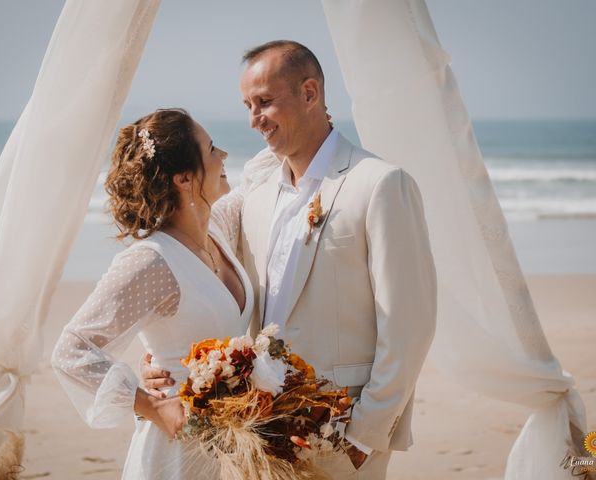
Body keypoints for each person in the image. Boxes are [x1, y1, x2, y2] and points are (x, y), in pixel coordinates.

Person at [142, 41, 438, 479]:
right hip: (261, 428)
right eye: (247, 105)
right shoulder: (256, 197)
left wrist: (364, 434)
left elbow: (409, 324)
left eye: (264, 102)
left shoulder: (379, 185)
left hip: (342, 431)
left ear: (310, 92)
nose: (253, 120)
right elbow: (201, 272)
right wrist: (155, 356)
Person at [51, 108, 278, 479]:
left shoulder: (217, 228)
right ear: (184, 178)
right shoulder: (151, 261)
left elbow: (258, 176)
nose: (223, 156)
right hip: (175, 453)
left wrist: (303, 117)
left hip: (230, 449)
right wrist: (150, 406)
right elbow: (71, 349)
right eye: (212, 150)